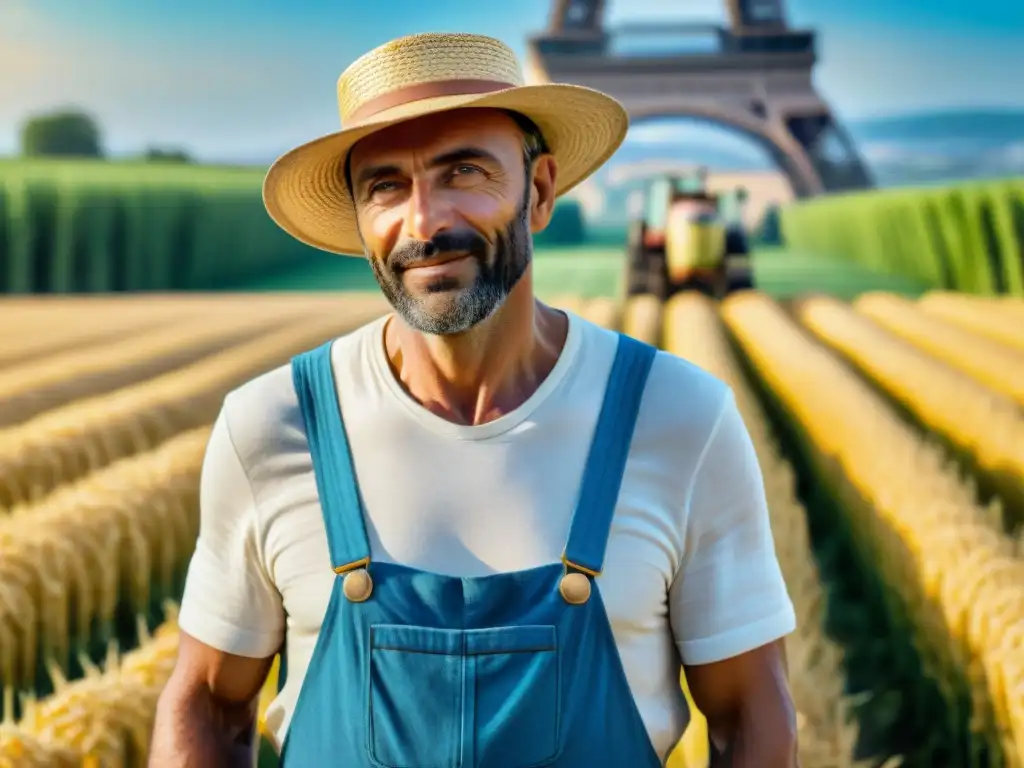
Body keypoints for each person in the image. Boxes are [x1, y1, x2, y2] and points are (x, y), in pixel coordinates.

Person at [150, 31, 798, 767]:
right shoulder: (271, 426)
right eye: (385, 185)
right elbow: (206, 700)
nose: (424, 223)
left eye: (464, 171)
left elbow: (751, 715)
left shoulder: (680, 419)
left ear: (542, 190)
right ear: (360, 221)